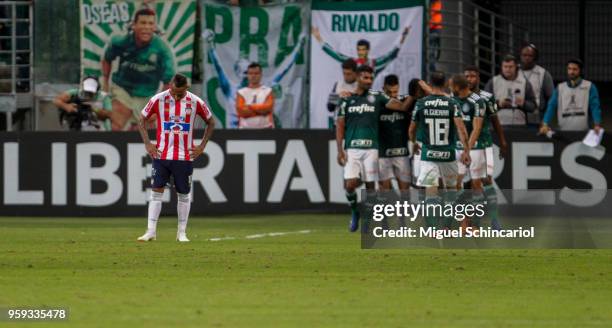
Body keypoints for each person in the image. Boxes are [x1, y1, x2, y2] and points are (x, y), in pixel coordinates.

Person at [136, 74, 215, 243]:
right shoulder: (158, 99)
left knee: (184, 194)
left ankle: (181, 233)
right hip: (161, 154)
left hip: (184, 156)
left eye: (181, 92)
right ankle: (150, 231)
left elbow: (211, 122)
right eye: (174, 92)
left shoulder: (195, 101)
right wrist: (148, 143)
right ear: (170, 86)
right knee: (156, 192)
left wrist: (202, 146)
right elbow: (141, 119)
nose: (177, 95)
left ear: (187, 88)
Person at [336, 65, 414, 232]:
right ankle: (355, 211)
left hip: (372, 148)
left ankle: (369, 221)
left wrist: (412, 95)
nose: (368, 81)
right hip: (352, 148)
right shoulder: (346, 99)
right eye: (365, 77)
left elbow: (400, 107)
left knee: (371, 186)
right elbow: (340, 125)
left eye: (371, 78)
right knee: (349, 185)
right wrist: (339, 149)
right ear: (357, 77)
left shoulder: (378, 97)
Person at [202, 29, 306, 128]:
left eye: (251, 72)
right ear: (239, 74)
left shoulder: (264, 87)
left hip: (257, 134)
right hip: (233, 136)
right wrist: (210, 44)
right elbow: (218, 67)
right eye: (246, 72)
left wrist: (299, 45)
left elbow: (284, 69)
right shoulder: (230, 89)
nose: (250, 75)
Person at [409, 72, 470, 228]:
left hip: (428, 154)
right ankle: (447, 226)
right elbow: (461, 129)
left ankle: (432, 227)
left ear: (430, 82)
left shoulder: (421, 103)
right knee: (451, 190)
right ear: (444, 83)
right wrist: (466, 150)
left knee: (431, 191)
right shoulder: (452, 103)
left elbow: (411, 130)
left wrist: (414, 142)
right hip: (448, 154)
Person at [101, 8, 175, 131]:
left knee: (144, 132)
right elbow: (107, 59)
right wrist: (105, 82)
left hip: (147, 94)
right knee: (116, 124)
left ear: (154, 27)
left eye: (150, 24)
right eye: (143, 23)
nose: (146, 27)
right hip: (123, 89)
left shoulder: (163, 50)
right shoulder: (121, 41)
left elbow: (169, 82)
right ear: (134, 25)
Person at [464, 66, 507, 229]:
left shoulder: (487, 97)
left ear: (478, 78)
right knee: (466, 184)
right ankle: (471, 219)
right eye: (467, 76)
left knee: (486, 181)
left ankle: (494, 219)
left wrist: (502, 141)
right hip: (462, 147)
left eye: (472, 76)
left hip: (483, 145)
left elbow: (495, 121)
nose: (469, 79)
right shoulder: (458, 97)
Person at [311, 25, 410, 75]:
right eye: (359, 50)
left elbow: (391, 55)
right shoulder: (352, 62)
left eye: (363, 50)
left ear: (368, 50)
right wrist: (319, 39)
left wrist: (403, 37)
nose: (360, 52)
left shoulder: (374, 63)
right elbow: (336, 55)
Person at [539, 59, 602, 134]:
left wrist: (597, 124)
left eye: (575, 69)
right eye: (569, 69)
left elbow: (595, 107)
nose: (571, 72)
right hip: (563, 132)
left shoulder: (589, 86)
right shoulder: (560, 88)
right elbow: (551, 106)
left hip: (583, 131)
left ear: (580, 71)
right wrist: (545, 123)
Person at [450, 74, 486, 192]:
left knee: (476, 183)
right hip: (457, 147)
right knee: (456, 183)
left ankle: (479, 210)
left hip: (475, 147)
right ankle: (459, 210)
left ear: (457, 87)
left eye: (451, 86)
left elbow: (477, 128)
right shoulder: (453, 100)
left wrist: (467, 150)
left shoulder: (477, 101)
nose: (450, 88)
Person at [378, 74, 412, 192]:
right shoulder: (378, 104)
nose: (393, 95)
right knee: (385, 191)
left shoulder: (405, 104)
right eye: (389, 92)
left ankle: (402, 210)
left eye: (395, 92)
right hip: (382, 154)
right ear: (383, 89)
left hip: (401, 153)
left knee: (405, 192)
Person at [485, 54, 537, 126]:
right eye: (505, 67)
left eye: (510, 67)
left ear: (516, 67)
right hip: (497, 125)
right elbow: (485, 105)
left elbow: (533, 107)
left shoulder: (525, 83)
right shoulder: (493, 82)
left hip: (519, 125)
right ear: (502, 67)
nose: (507, 69)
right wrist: (498, 103)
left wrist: (523, 103)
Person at [519, 43, 554, 126]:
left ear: (535, 57)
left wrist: (546, 119)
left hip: (536, 117)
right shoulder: (514, 71)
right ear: (520, 56)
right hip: (517, 117)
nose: (527, 58)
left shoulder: (543, 74)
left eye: (530, 55)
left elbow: (552, 99)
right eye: (524, 55)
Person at [235, 62, 275, 129]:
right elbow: (242, 112)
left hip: (266, 129)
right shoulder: (241, 92)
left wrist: (250, 107)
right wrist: (260, 111)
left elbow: (268, 108)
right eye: (250, 73)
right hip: (245, 130)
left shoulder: (268, 91)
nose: (253, 76)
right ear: (247, 75)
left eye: (256, 73)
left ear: (261, 75)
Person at [327, 58, 358, 128]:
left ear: (355, 73)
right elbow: (329, 108)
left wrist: (352, 97)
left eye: (349, 74)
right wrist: (338, 98)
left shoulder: (361, 86)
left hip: (355, 126)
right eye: (344, 73)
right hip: (338, 126)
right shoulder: (338, 84)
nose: (346, 76)